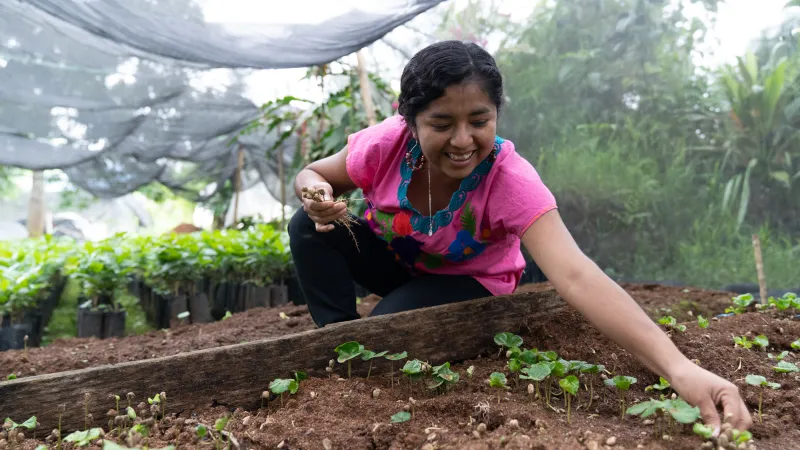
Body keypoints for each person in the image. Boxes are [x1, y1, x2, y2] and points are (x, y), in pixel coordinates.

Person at [288, 40, 752, 433]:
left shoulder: (510, 180)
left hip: (466, 282)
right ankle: (337, 340)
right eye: (441, 124)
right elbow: (312, 172)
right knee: (307, 227)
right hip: (398, 263)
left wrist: (679, 367)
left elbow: (576, 275)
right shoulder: (384, 146)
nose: (463, 139)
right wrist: (316, 193)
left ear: (496, 114)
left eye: (479, 119)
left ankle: (357, 343)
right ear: (409, 120)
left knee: (385, 337)